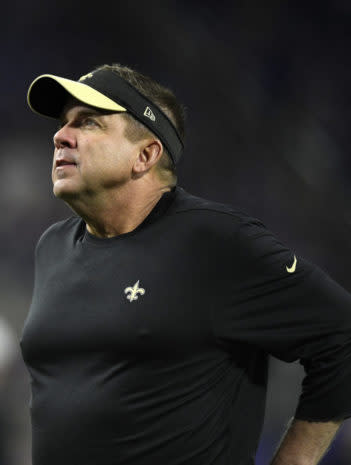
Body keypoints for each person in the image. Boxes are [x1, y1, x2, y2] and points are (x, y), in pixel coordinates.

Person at [18, 63, 351, 465]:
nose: (60, 136)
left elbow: (342, 335)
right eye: (63, 123)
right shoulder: (52, 246)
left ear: (145, 155)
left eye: (87, 123)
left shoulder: (215, 242)